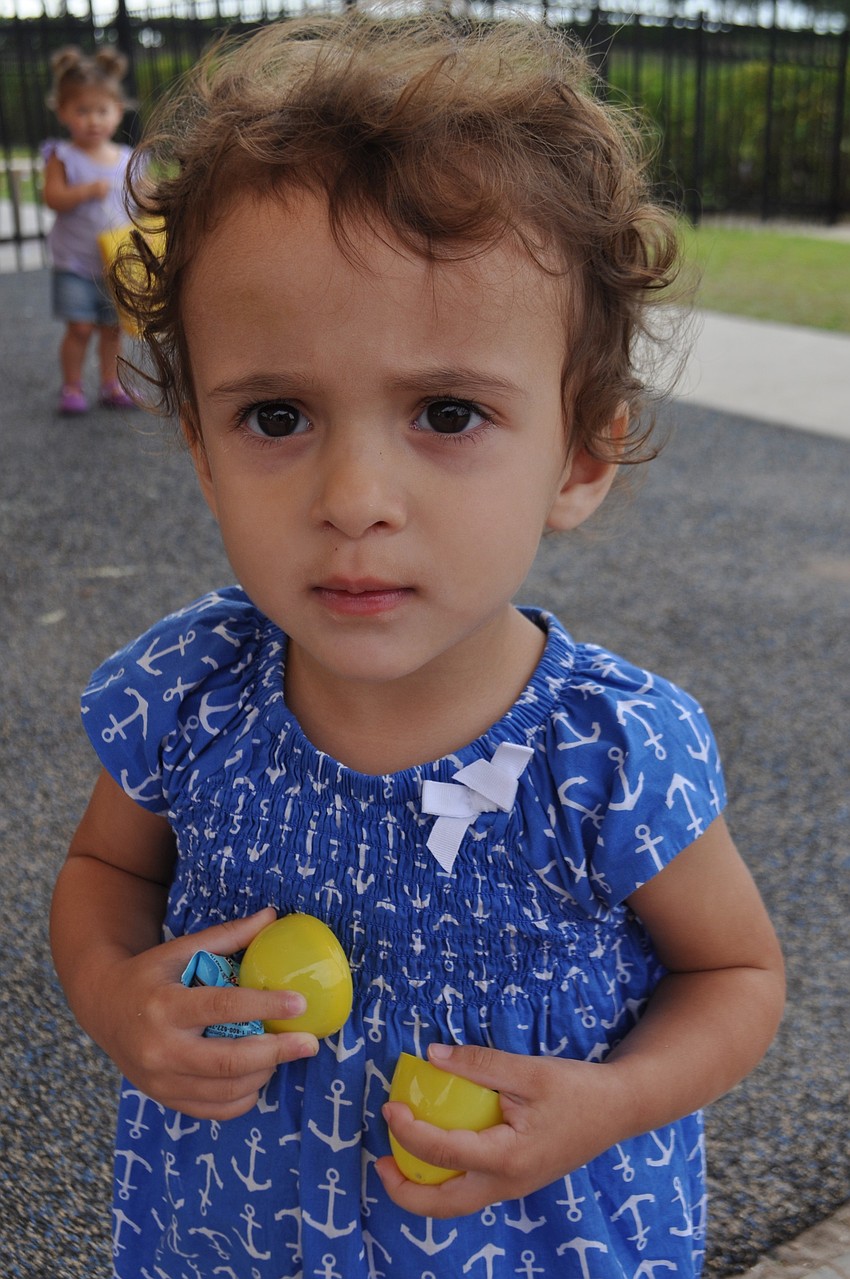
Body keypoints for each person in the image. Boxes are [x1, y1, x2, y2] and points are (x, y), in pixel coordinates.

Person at [50, 15, 785, 1279]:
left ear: (581, 455)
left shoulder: (607, 751)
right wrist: (116, 998)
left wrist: (610, 1103)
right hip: (231, 1234)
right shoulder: (190, 692)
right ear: (201, 451)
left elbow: (735, 972)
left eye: (446, 411)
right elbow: (103, 872)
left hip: (524, 1243)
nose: (353, 497)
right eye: (275, 414)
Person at [41, 46, 135, 415]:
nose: (93, 120)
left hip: (114, 264)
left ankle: (111, 384)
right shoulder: (62, 156)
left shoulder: (127, 159)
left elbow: (141, 199)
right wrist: (83, 192)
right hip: (75, 263)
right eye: (82, 111)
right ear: (62, 112)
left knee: (112, 329)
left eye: (102, 110)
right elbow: (53, 198)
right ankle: (72, 386)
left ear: (117, 110)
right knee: (80, 328)